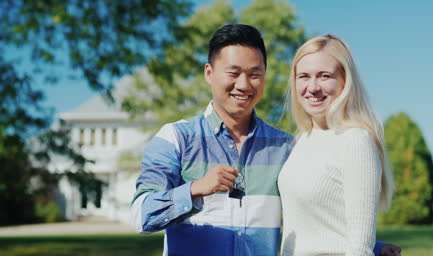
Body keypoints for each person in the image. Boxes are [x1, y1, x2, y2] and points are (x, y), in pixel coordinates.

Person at [130, 24, 401, 256]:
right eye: (233, 73)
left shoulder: (287, 147)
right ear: (209, 74)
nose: (244, 85)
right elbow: (141, 215)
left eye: (255, 74)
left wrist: (371, 246)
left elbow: (310, 213)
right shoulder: (175, 138)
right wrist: (195, 189)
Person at [278, 34, 396, 256]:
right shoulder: (302, 140)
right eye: (304, 76)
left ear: (345, 81)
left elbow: (360, 246)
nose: (312, 87)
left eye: (325, 76)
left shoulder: (356, 141)